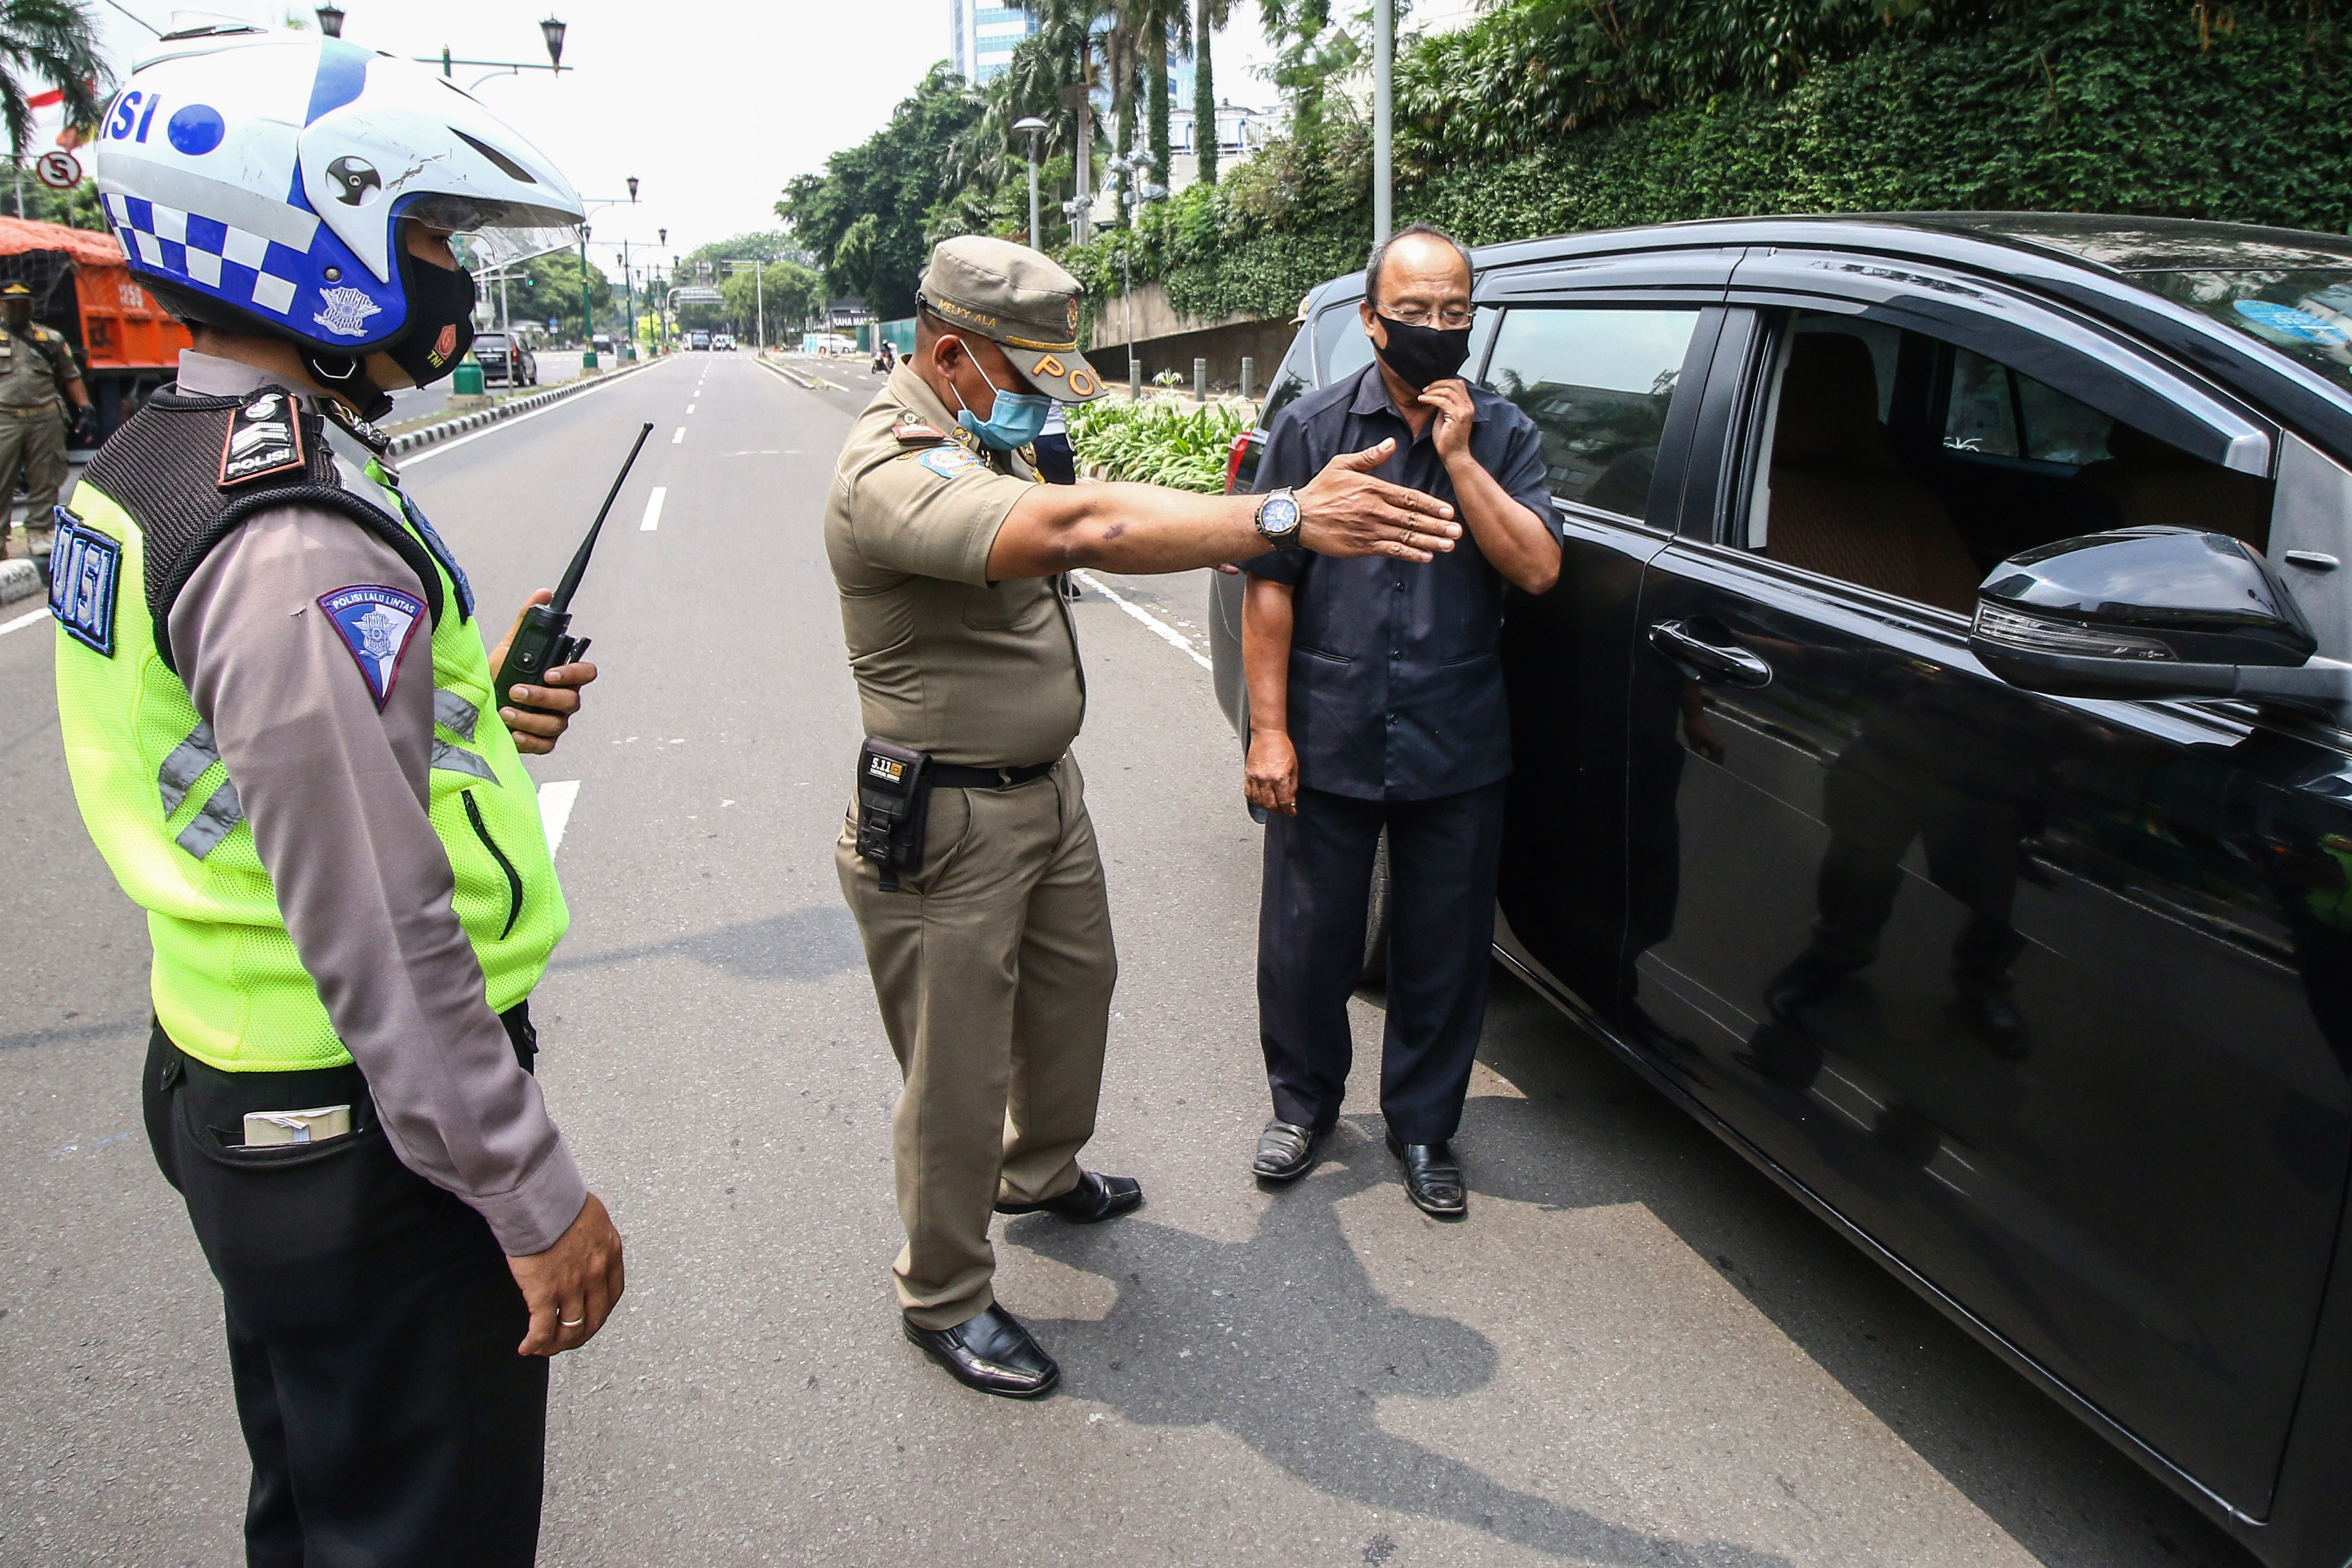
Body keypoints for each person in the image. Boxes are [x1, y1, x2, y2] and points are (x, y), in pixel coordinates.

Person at [53, 26, 622, 1565]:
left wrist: (468, 709)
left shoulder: (152, 463)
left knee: (320, 1506)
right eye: (428, 234)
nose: (446, 275)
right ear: (307, 234)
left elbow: (238, 762)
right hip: (368, 1129)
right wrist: (528, 1185)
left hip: (241, 1082)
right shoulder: (292, 534)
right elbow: (379, 926)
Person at [828, 234, 1463, 1398]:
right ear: (952, 353)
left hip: (1040, 797)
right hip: (948, 817)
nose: (1036, 404)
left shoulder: (976, 430)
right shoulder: (889, 464)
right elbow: (1081, 530)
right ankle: (943, 1291)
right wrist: (1279, 516)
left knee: (1075, 992)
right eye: (1025, 378)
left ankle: (1039, 1168)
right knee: (956, 1064)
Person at [1241, 224, 1563, 1218]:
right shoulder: (1309, 429)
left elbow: (1537, 568)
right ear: (1370, 319)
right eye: (1414, 312)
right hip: (1327, 725)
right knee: (1308, 941)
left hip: (1454, 734)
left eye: (1453, 313)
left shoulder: (1503, 433)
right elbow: (1267, 587)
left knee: (1442, 947)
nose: (1434, 329)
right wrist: (1267, 730)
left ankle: (1424, 1127)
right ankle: (1302, 1105)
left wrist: (1460, 460)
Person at [0, 279, 93, 561]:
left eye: (23, 305)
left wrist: (85, 407)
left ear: (31, 307)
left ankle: (41, 532)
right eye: (12, 305)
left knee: (46, 477)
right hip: (5, 418)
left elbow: (70, 375)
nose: (19, 310)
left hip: (45, 418)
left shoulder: (50, 340)